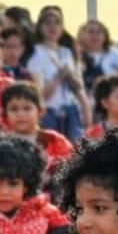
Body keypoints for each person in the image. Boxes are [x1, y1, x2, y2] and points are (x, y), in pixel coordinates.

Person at [25, 9, 88, 141]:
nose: (52, 27)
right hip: (49, 112)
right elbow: (41, 94)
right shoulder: (36, 55)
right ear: (40, 27)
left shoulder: (67, 52)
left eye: (57, 23)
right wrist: (58, 77)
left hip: (71, 110)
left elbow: (78, 87)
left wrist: (86, 108)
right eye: (48, 23)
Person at [0, 81, 74, 172]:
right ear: (5, 115)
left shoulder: (54, 140)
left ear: (40, 112)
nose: (20, 114)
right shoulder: (1, 145)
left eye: (27, 108)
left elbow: (71, 169)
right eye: (14, 109)